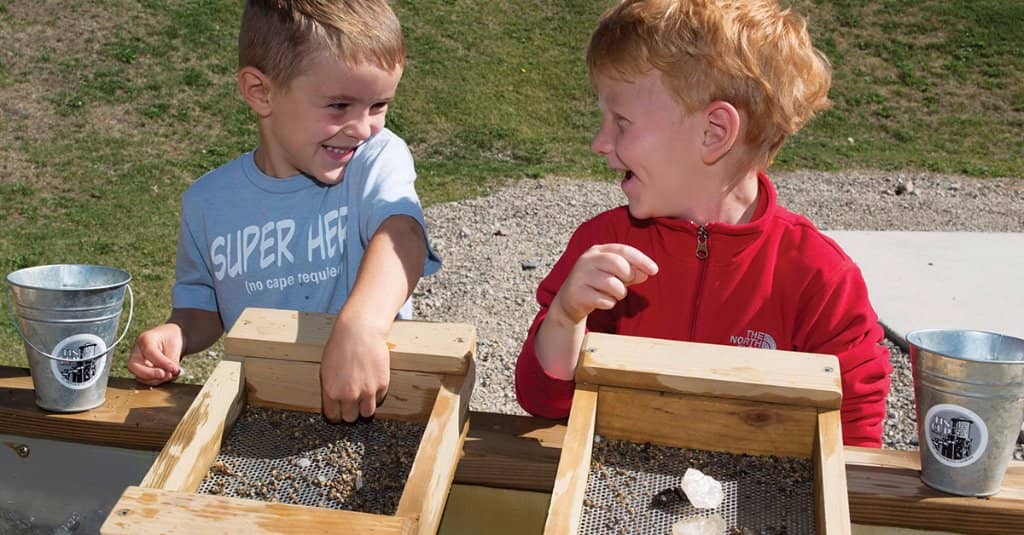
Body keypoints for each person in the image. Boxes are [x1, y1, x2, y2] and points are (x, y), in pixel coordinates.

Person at [514, 0, 891, 447]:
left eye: (621, 122)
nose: (600, 142)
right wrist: (566, 317)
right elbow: (542, 400)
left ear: (713, 132)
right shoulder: (604, 246)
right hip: (622, 480)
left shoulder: (818, 276)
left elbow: (855, 432)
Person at [127, 0, 439, 425]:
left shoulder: (376, 158)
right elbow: (204, 308)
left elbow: (402, 236)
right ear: (261, 92)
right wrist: (175, 334)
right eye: (339, 106)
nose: (363, 127)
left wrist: (361, 327)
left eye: (379, 106)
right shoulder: (206, 202)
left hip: (376, 408)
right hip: (264, 414)